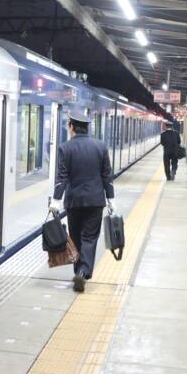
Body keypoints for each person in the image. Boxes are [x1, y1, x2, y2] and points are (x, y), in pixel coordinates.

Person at [50, 110, 115, 293]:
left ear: (72, 127)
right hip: (95, 201)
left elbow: (62, 177)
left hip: (74, 202)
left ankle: (78, 271)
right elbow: (106, 176)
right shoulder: (100, 147)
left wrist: (56, 200)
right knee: (89, 238)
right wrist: (111, 198)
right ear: (87, 128)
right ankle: (83, 272)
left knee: (75, 237)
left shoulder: (65, 148)